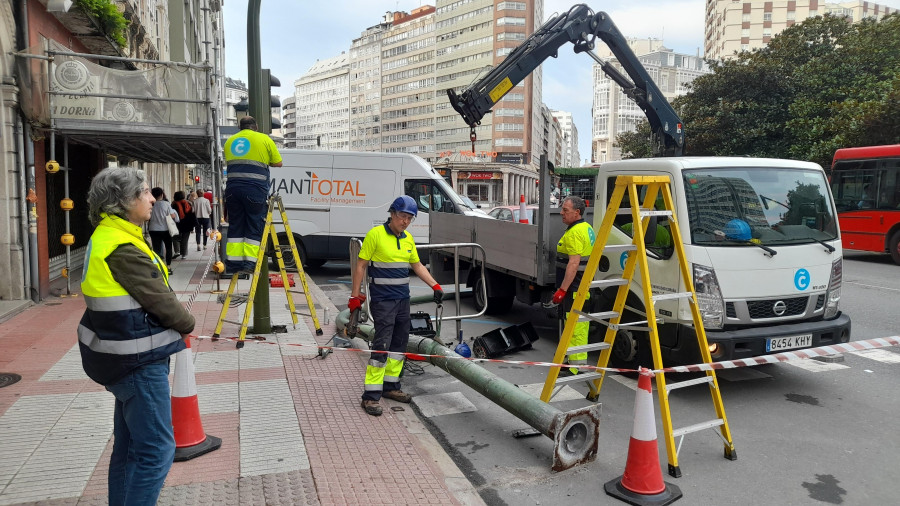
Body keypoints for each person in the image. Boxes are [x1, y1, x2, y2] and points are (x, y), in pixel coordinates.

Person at [79, 167, 194, 506]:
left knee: (130, 450)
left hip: (120, 359)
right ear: (123, 201)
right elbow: (161, 301)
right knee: (157, 451)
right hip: (138, 363)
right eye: (144, 192)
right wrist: (187, 321)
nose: (151, 197)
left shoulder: (111, 235)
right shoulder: (121, 245)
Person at [349, 195, 443, 416]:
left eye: (410, 218)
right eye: (402, 216)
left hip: (402, 299)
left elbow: (417, 265)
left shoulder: (408, 238)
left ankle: (391, 386)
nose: (406, 221)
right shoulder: (376, 235)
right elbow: (361, 265)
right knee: (382, 344)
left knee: (399, 344)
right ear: (392, 213)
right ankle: (370, 396)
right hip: (383, 300)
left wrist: (435, 286)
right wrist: (356, 296)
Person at [223, 116, 282, 273]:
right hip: (255, 190)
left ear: (239, 127)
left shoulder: (229, 142)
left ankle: (233, 264)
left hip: (232, 190)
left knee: (236, 224)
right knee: (254, 224)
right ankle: (249, 263)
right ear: (255, 126)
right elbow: (278, 163)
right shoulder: (264, 139)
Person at [552, 196, 596, 377]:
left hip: (575, 287)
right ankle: (570, 361)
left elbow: (573, 264)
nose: (561, 213)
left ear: (577, 212)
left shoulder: (575, 233)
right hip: (582, 285)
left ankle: (573, 366)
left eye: (565, 210)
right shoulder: (586, 227)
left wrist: (562, 289)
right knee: (576, 324)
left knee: (576, 326)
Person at [148, 187, 178, 274]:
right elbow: (172, 216)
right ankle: (168, 267)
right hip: (165, 229)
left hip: (153, 229)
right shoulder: (166, 204)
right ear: (161, 194)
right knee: (168, 248)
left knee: (156, 249)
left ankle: (158, 267)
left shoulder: (151, 204)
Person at [172, 191, 196, 259]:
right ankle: (184, 254)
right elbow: (192, 214)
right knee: (185, 239)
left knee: (175, 237)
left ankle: (177, 251)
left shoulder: (174, 204)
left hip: (177, 223)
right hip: (187, 224)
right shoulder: (188, 203)